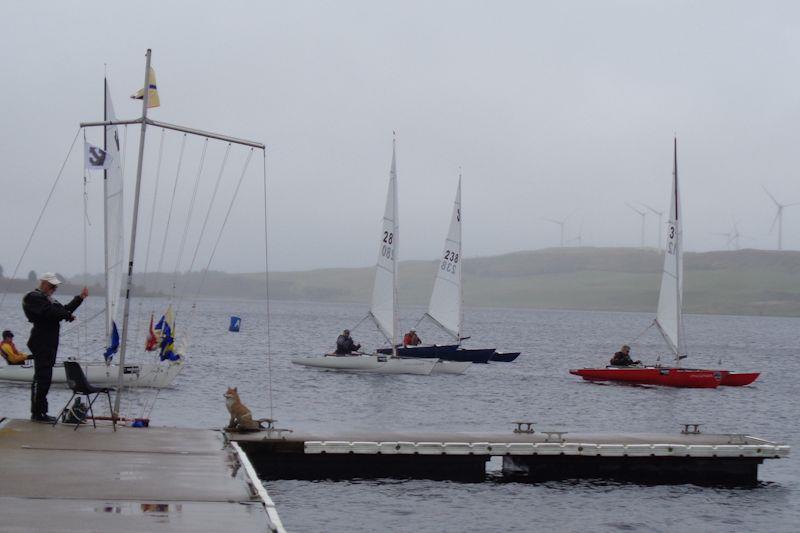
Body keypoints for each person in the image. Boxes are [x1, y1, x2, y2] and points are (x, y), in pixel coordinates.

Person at [22, 273, 88, 423]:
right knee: (42, 378)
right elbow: (50, 312)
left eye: (55, 287)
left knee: (45, 377)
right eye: (52, 286)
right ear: (44, 283)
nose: (54, 289)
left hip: (49, 343)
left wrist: (79, 299)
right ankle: (38, 413)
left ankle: (41, 411)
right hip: (41, 341)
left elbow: (63, 310)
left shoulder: (49, 299)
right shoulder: (33, 297)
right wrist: (66, 315)